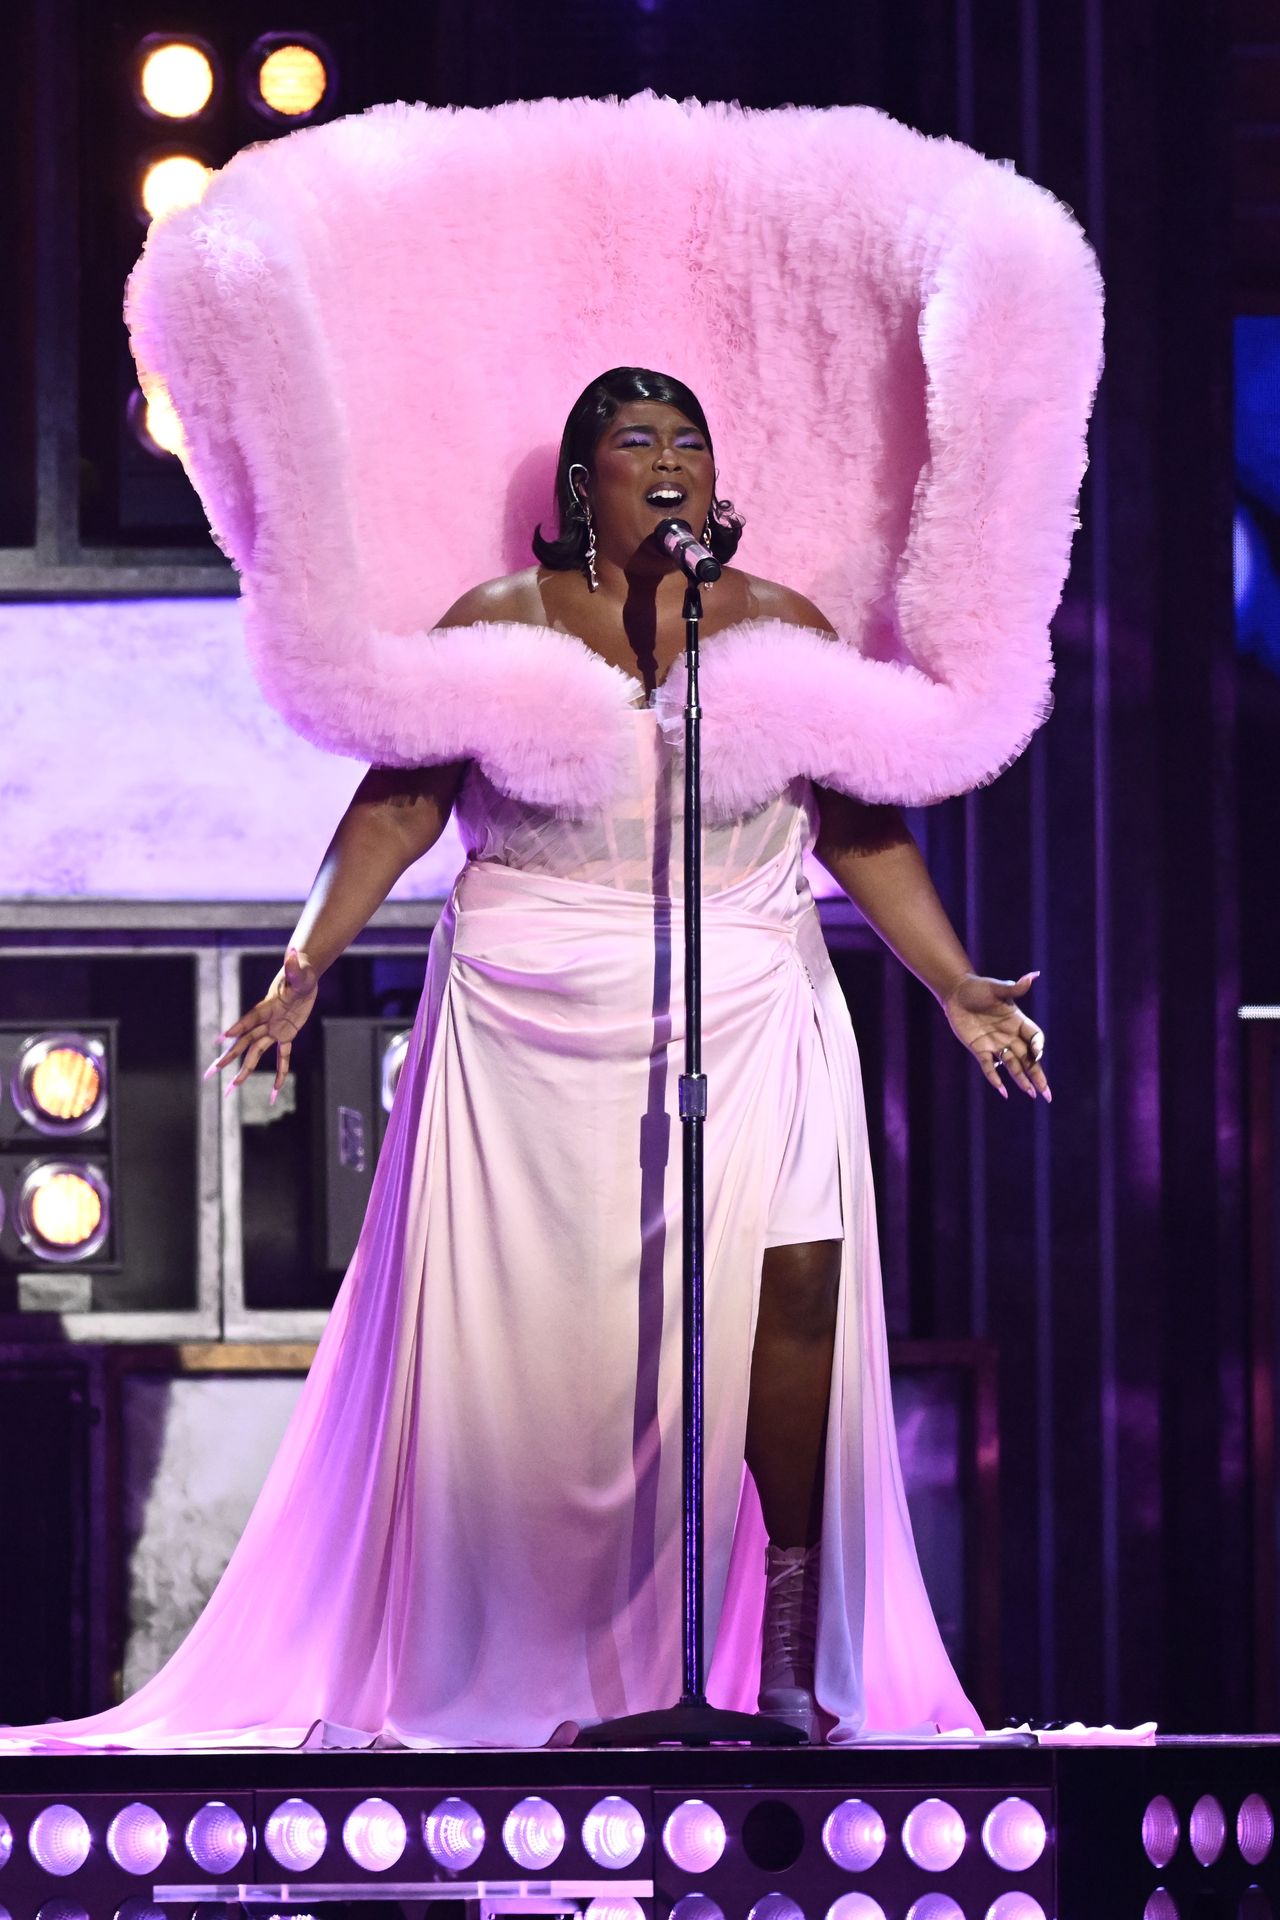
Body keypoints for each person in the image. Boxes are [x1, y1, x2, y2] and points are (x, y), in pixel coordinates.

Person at [2, 367, 1046, 1753]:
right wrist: (307, 962)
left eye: (689, 438)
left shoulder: (780, 627)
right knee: (555, 1357)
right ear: (582, 481)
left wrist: (957, 980)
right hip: (535, 1014)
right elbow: (396, 810)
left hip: (747, 987)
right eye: (635, 439)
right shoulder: (499, 626)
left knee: (791, 1297)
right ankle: (530, 1660)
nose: (667, 458)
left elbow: (859, 831)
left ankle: (784, 1664)